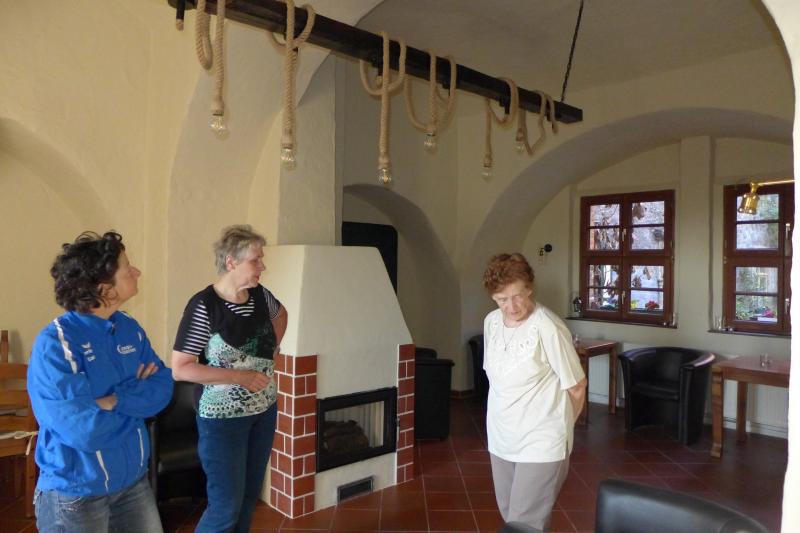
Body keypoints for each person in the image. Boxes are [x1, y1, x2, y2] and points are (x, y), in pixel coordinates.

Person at [28, 231, 173, 533]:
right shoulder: (56, 344)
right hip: (77, 494)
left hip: (132, 484)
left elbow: (162, 387)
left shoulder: (128, 327)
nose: (137, 272)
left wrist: (113, 400)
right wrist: (136, 403)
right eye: (127, 268)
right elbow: (84, 430)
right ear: (103, 288)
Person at [171, 224, 287, 533]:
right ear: (231, 262)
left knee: (248, 498)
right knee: (225, 507)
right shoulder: (204, 305)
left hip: (263, 411)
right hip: (222, 420)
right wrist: (240, 377)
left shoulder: (260, 295)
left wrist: (273, 350)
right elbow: (181, 368)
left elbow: (281, 315)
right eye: (255, 260)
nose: (262, 266)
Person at [482, 253, 587, 531]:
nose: (511, 306)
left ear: (529, 288)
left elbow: (577, 386)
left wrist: (560, 430)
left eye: (517, 296)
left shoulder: (548, 327)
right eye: (502, 299)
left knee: (524, 523)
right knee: (510, 516)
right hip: (501, 437)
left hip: (541, 441)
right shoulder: (491, 322)